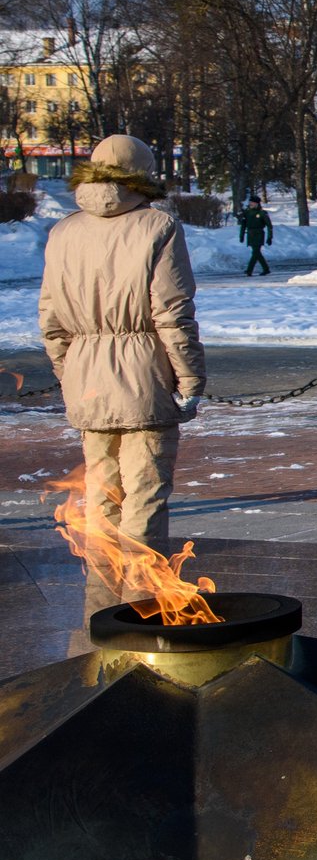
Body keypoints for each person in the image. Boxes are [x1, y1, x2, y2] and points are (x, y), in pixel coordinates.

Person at [38, 134, 206, 556]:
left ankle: (103, 592)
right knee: (145, 492)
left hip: (85, 373)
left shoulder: (63, 231)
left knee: (100, 489)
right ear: (142, 175)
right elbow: (172, 313)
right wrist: (189, 382)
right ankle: (140, 594)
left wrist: (68, 373)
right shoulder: (158, 226)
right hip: (144, 375)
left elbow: (51, 319)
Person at [237, 196, 273, 276]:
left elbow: (269, 225)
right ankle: (266, 269)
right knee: (257, 253)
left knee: (256, 252)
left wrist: (270, 237)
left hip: (259, 234)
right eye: (250, 202)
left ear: (257, 203)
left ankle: (249, 270)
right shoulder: (247, 212)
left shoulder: (262, 213)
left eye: (252, 202)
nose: (251, 204)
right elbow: (243, 225)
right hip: (250, 234)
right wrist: (241, 235)